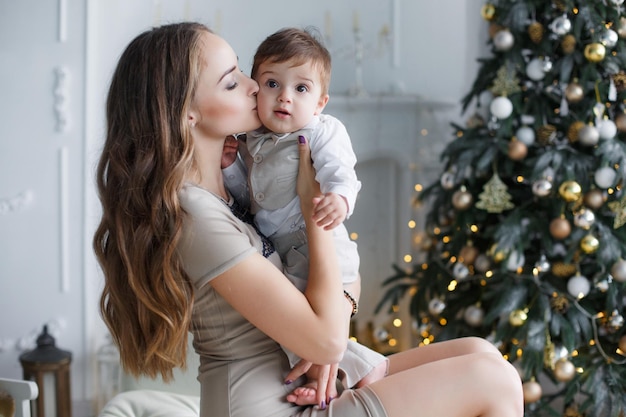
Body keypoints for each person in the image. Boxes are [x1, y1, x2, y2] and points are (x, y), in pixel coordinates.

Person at [93, 22, 524, 417]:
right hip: (266, 408)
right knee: (493, 380)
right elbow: (327, 336)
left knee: (481, 351)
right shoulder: (196, 216)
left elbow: (341, 287)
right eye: (231, 82)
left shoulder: (234, 186)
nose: (252, 86)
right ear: (187, 113)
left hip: (301, 384)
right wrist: (311, 212)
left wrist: (330, 335)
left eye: (242, 72)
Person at [221, 27, 387, 403]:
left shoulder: (321, 132)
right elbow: (249, 200)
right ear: (255, 88)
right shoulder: (250, 140)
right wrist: (230, 167)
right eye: (272, 83)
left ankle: (339, 378)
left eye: (301, 89)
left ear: (320, 102)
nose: (284, 97)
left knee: (304, 325)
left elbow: (342, 171)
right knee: (295, 322)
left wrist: (339, 200)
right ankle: (358, 371)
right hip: (286, 250)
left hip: (320, 246)